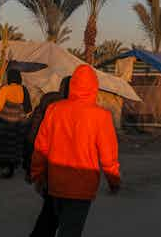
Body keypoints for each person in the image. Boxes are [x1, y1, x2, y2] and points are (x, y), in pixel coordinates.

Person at [30, 65, 120, 237]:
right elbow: (108, 156)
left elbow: (41, 147)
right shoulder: (101, 116)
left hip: (56, 184)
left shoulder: (55, 110)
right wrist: (113, 180)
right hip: (82, 187)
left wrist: (37, 175)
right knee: (70, 231)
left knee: (49, 226)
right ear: (94, 86)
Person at [25, 76, 72, 182]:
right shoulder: (80, 112)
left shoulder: (46, 104)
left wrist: (31, 170)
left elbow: (33, 136)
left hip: (48, 162)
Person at [0, 68, 32, 178]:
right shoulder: (23, 89)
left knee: (3, 145)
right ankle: (12, 167)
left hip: (5, 122)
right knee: (15, 145)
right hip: (18, 122)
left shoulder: (6, 89)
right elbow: (28, 107)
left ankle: (5, 168)